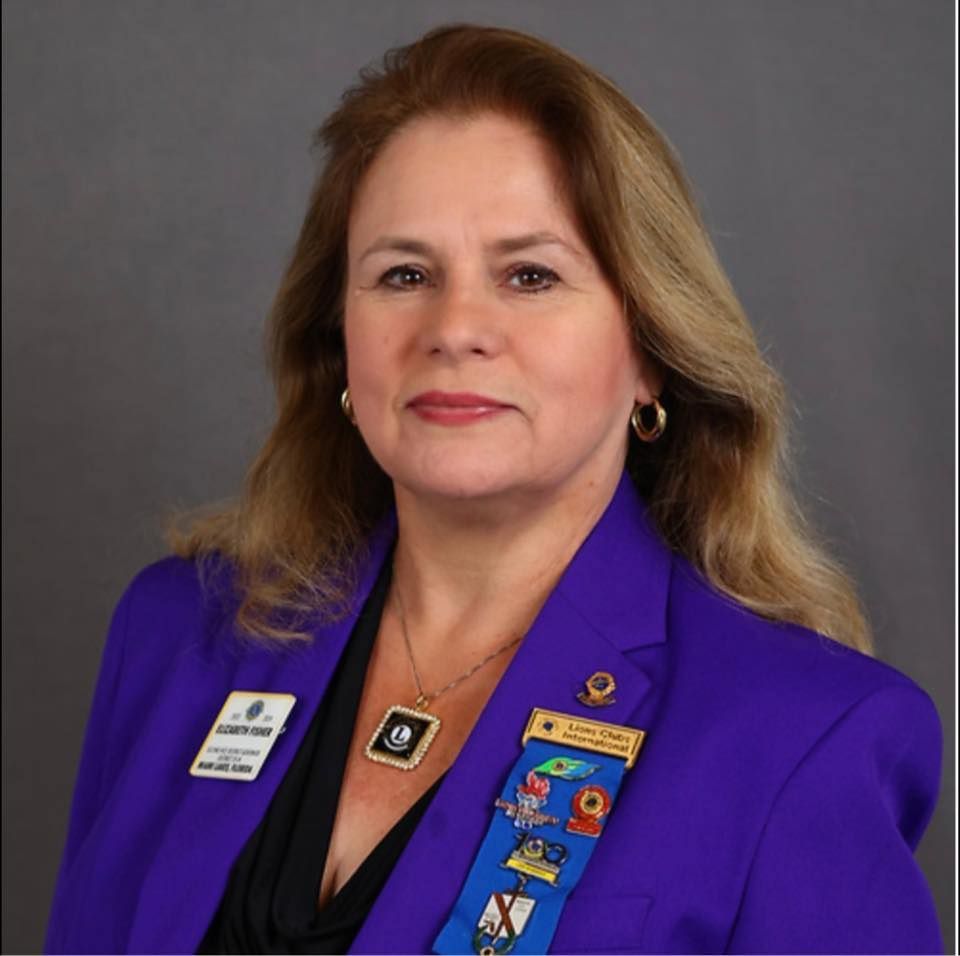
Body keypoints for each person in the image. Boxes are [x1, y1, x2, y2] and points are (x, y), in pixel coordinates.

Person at [45, 22, 942, 956]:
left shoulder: (799, 736)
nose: (455, 327)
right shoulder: (177, 637)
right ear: (339, 341)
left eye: (529, 275)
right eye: (404, 274)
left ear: (651, 351)